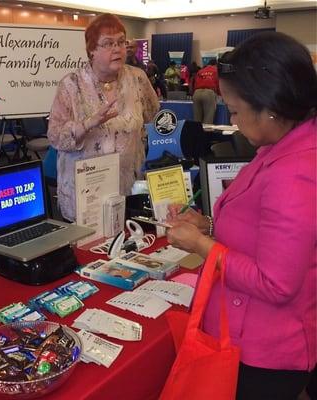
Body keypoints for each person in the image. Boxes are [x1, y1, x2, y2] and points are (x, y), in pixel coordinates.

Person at [165, 31, 316, 399]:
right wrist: (209, 225)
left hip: (263, 351)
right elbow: (262, 230)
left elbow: (275, 283)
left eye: (234, 110)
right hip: (253, 335)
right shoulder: (282, 144)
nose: (232, 121)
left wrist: (202, 245)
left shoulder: (294, 171)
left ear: (269, 107)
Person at [47, 14, 159, 222]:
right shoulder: (71, 85)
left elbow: (151, 113)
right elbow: (54, 137)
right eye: (108, 44)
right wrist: (88, 124)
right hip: (85, 194)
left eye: (121, 42)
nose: (117, 49)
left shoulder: (137, 79)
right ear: (92, 50)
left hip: (126, 187)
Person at [192, 59, 219, 123]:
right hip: (209, 93)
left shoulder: (200, 71)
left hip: (197, 93)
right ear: (216, 64)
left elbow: (194, 83)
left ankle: (196, 132)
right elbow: (218, 83)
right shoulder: (216, 70)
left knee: (197, 121)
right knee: (208, 120)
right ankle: (206, 133)